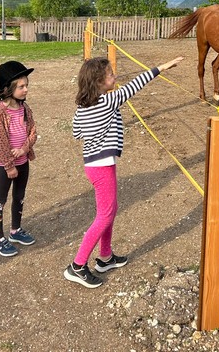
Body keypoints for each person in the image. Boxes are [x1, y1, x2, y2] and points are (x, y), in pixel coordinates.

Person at [64, 55, 184, 288]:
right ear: (99, 81)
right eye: (110, 74)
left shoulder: (82, 107)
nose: (114, 76)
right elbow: (135, 85)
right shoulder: (109, 101)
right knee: (105, 215)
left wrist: (95, 131)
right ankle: (77, 266)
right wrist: (161, 66)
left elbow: (77, 133)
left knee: (110, 210)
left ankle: (105, 257)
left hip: (94, 164)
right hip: (102, 166)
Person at [0, 60, 38, 257]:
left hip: (23, 161)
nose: (26, 89)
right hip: (6, 165)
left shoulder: (26, 109)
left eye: (26, 85)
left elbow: (33, 131)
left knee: (19, 196)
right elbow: (0, 141)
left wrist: (24, 149)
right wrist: (9, 165)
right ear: (8, 89)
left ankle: (15, 230)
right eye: (21, 86)